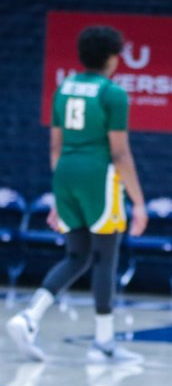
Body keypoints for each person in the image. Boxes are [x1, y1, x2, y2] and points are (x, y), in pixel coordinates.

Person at [6, 26, 147, 363]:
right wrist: (139, 203)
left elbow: (55, 146)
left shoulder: (63, 89)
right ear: (112, 57)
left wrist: (59, 195)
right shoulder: (112, 94)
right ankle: (103, 342)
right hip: (98, 175)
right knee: (105, 257)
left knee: (78, 255)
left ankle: (29, 317)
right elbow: (120, 154)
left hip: (65, 172)